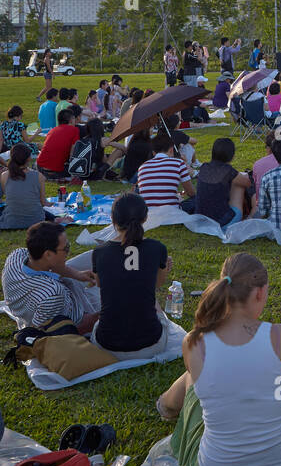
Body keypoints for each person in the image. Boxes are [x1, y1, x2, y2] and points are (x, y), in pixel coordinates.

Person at [155, 254, 281, 466]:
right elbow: (275, 388)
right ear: (260, 293)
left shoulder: (195, 342)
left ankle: (165, 406)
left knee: (193, 381)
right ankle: (165, 405)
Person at [90, 194, 173, 360]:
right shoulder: (158, 248)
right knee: (153, 303)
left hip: (107, 344)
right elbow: (157, 284)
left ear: (113, 218)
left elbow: (99, 284)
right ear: (146, 217)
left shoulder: (99, 252)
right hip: (151, 344)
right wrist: (162, 269)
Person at [1, 220, 99, 330]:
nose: (68, 252)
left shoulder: (17, 256)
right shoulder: (53, 294)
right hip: (79, 317)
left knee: (98, 255)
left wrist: (77, 274)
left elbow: (55, 266)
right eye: (66, 248)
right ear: (47, 254)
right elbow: (46, 335)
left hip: (54, 296)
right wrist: (101, 316)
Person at [184, 137, 250, 227]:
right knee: (239, 186)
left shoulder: (204, 167)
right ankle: (248, 214)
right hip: (221, 222)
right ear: (231, 155)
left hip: (200, 219)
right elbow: (248, 183)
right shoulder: (228, 171)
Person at [136, 132, 195, 207]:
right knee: (196, 200)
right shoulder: (178, 163)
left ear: (153, 153)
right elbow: (191, 193)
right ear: (171, 150)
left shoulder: (142, 167)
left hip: (149, 215)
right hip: (172, 213)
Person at [0, 144, 52, 229]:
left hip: (11, 222)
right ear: (29, 158)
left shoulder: (4, 176)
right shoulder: (39, 176)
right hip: (36, 220)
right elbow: (43, 203)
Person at [36, 109, 80, 178]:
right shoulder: (74, 130)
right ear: (71, 120)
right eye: (74, 118)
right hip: (54, 172)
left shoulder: (53, 130)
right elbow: (73, 153)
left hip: (40, 167)